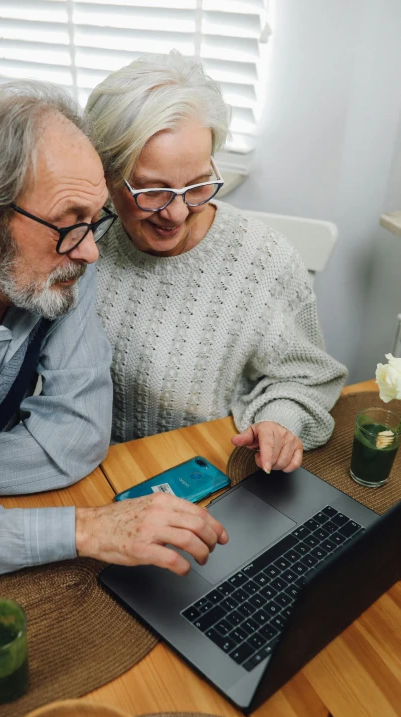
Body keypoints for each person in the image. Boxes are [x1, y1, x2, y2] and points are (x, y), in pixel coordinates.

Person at [0, 81, 227, 581]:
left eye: (93, 220)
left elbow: (76, 438)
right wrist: (83, 530)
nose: (90, 251)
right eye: (68, 223)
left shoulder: (59, 268)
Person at [86, 51, 348, 473]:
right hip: (92, 468)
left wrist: (279, 423)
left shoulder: (264, 261)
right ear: (107, 178)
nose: (177, 213)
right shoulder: (83, 240)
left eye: (196, 184)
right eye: (153, 191)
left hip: (207, 469)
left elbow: (307, 377)